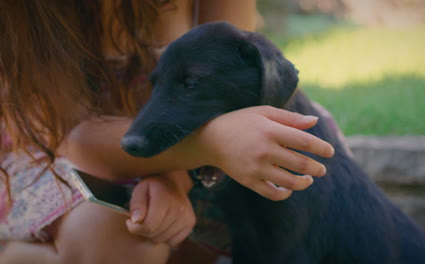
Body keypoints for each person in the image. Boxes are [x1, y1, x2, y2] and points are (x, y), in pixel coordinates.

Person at [0, 0, 335, 263]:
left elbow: (229, 76)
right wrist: (208, 146)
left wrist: (173, 178)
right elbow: (74, 138)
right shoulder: (31, 12)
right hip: (57, 150)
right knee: (121, 242)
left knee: (300, 211)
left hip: (188, 144)